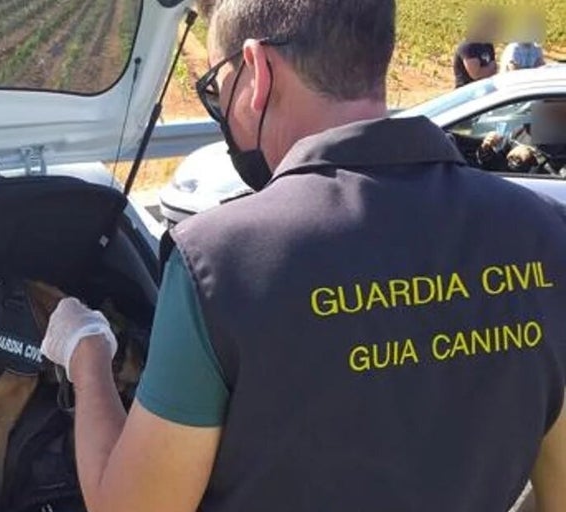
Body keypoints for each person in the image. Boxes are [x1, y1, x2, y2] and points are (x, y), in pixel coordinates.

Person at [39, 1, 566, 511]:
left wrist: (88, 359)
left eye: (217, 89)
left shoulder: (221, 262)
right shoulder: (544, 232)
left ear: (257, 70)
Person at [453, 7, 501, 88]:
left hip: (484, 89)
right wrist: (490, 69)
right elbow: (476, 74)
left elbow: (494, 68)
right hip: (467, 92)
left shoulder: (488, 44)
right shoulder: (468, 46)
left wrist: (487, 69)